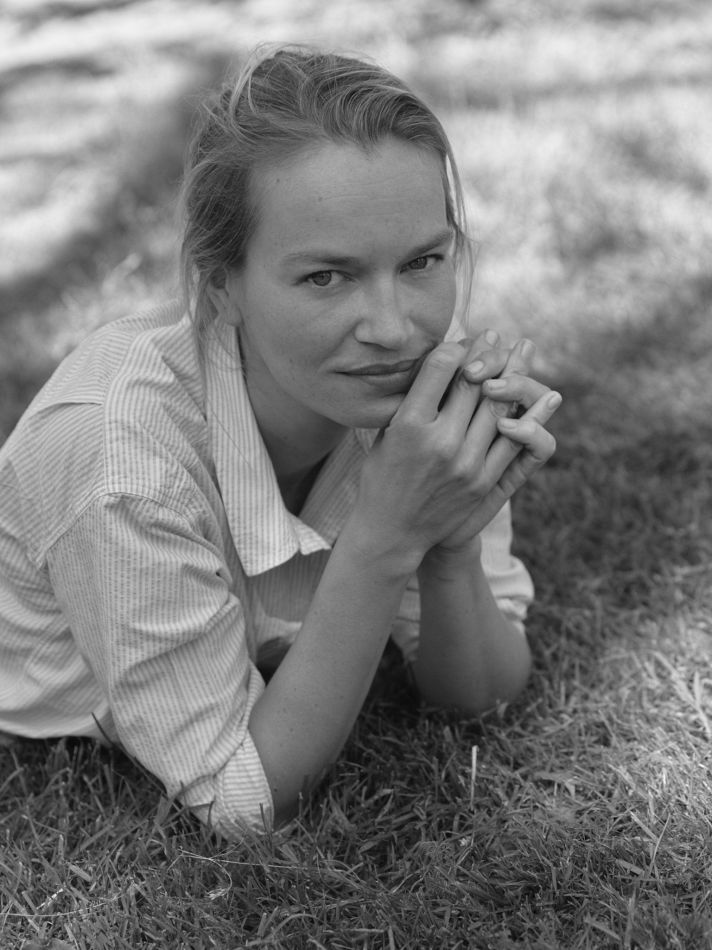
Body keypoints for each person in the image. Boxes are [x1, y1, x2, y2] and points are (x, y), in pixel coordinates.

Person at [0, 45, 561, 838]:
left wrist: (449, 540)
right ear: (220, 285)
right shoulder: (123, 464)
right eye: (325, 277)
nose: (393, 327)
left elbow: (483, 697)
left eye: (421, 261)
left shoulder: (411, 382)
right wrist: (384, 537)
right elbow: (246, 804)